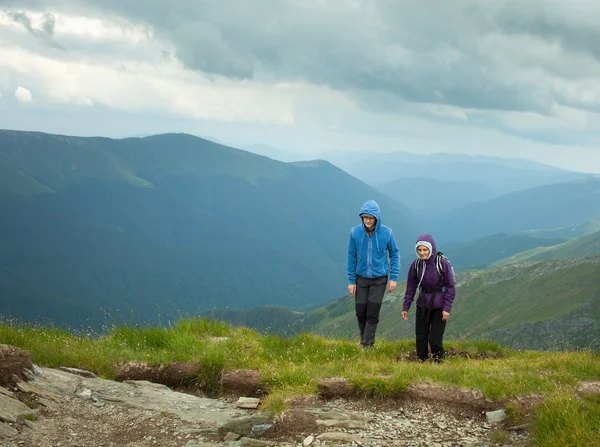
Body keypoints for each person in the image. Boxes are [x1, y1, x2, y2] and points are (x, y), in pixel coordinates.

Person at [347, 199, 400, 348]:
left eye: (370, 217)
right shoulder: (355, 232)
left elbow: (394, 254)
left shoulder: (387, 233)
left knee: (372, 311)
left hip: (379, 279)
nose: (368, 221)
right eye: (365, 217)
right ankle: (364, 338)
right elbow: (351, 256)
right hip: (361, 278)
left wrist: (393, 278)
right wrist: (351, 281)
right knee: (360, 311)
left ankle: (367, 344)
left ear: (377, 217)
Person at [401, 234, 455, 362]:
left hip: (439, 307)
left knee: (435, 339)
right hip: (423, 305)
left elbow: (451, 287)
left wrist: (446, 308)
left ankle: (439, 362)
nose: (422, 253)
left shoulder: (441, 263)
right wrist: (405, 307)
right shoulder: (416, 265)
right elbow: (410, 288)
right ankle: (422, 362)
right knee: (421, 336)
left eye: (425, 250)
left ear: (431, 249)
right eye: (419, 250)